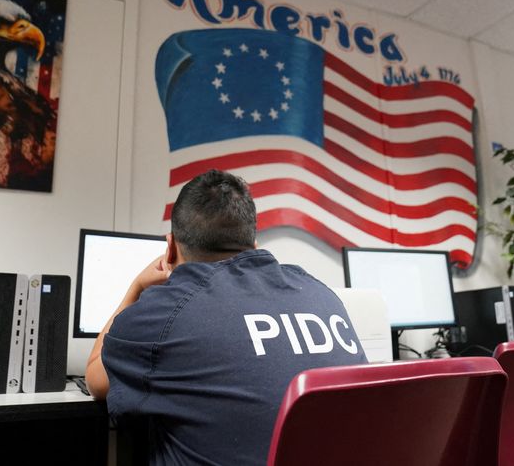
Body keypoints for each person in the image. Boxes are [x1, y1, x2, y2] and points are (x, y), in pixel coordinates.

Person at [86, 169, 367, 465]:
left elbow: (95, 378)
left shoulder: (167, 311)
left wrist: (137, 286)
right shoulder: (322, 296)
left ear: (170, 248)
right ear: (253, 246)